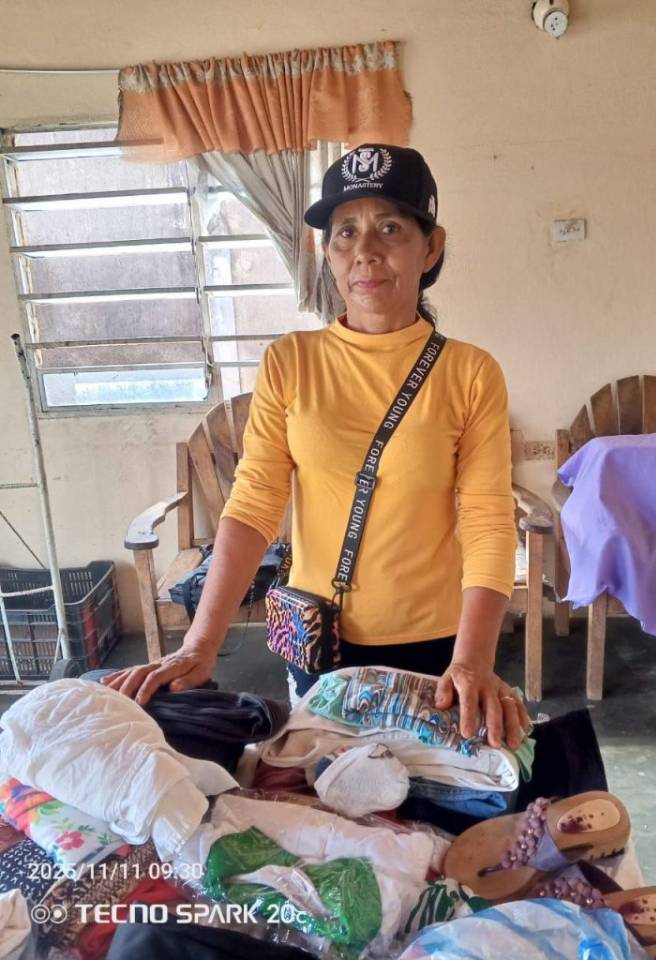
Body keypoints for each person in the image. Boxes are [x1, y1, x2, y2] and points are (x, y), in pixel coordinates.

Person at [103, 144, 530, 751]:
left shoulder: (470, 373)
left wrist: (473, 659)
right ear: (327, 253)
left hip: (437, 647)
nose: (366, 251)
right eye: (345, 233)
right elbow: (253, 504)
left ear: (430, 247)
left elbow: (489, 519)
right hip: (317, 639)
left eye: (390, 227)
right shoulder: (290, 362)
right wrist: (198, 644)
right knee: (323, 795)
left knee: (427, 812)